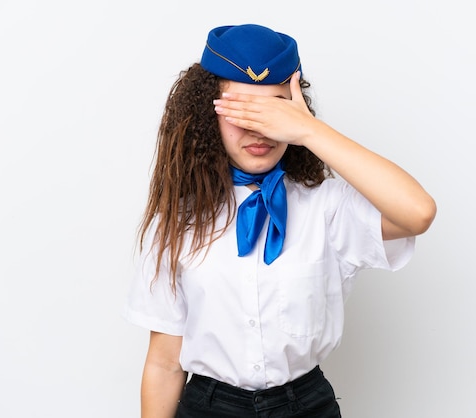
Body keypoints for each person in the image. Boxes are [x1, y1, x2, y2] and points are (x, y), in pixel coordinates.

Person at [123, 23, 436, 418]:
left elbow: (417, 212)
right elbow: (165, 364)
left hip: (306, 407)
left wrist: (309, 130)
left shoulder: (327, 208)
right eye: (242, 111)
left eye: (274, 110)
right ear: (209, 116)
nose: (260, 129)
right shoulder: (179, 222)